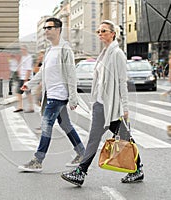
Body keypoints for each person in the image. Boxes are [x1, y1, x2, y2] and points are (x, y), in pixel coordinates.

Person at [60, 20, 144, 186]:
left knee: (95, 138)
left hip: (109, 105)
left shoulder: (117, 54)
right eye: (98, 31)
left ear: (113, 33)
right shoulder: (105, 53)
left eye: (104, 31)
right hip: (101, 103)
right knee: (124, 138)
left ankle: (81, 172)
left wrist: (125, 107)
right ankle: (137, 169)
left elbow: (122, 82)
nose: (100, 34)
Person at [18, 17, 85, 172]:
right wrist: (29, 84)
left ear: (58, 29)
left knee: (46, 125)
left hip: (59, 94)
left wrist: (73, 98)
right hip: (52, 94)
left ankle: (37, 160)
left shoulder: (65, 49)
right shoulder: (49, 50)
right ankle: (82, 153)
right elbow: (43, 72)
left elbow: (71, 74)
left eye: (49, 28)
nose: (46, 30)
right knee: (65, 124)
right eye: (45, 28)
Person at [14, 45, 34, 113]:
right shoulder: (23, 57)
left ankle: (31, 107)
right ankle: (20, 106)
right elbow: (20, 66)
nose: (21, 50)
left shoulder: (29, 58)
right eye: (21, 49)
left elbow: (28, 69)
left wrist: (26, 80)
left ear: (26, 50)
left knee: (28, 93)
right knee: (18, 92)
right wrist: (19, 73)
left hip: (26, 78)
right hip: (22, 78)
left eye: (23, 49)